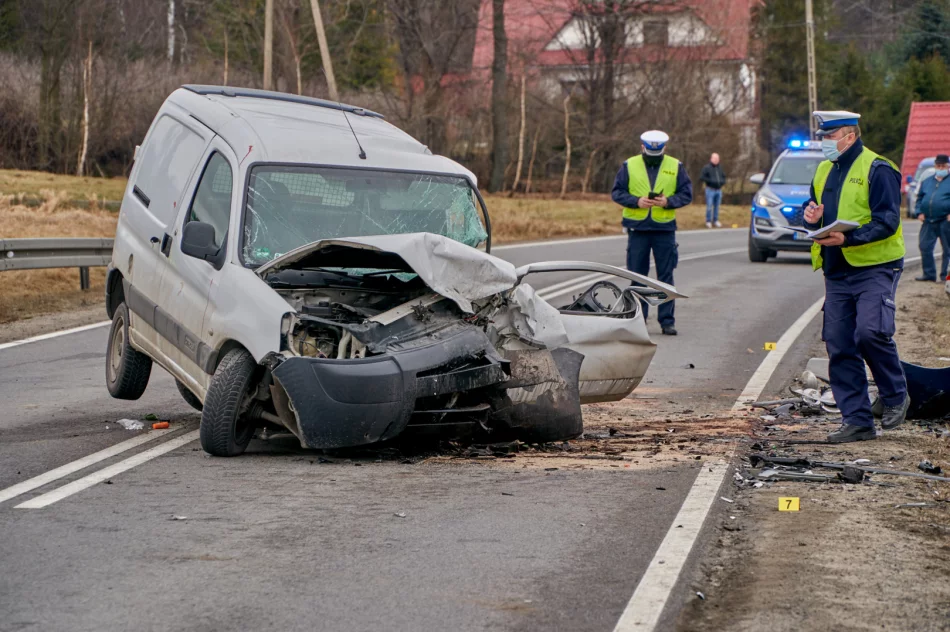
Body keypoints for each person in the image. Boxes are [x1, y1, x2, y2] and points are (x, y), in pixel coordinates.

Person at [802, 110, 909, 443]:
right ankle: (858, 421)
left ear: (849, 136)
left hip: (876, 266)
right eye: (823, 137)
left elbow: (887, 221)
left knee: (870, 332)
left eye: (829, 137)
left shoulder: (878, 168)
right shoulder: (824, 170)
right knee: (840, 344)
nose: (824, 143)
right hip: (836, 270)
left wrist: (849, 238)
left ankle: (895, 396)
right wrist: (810, 218)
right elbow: (814, 211)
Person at [611, 130, 693, 336]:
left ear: (664, 148)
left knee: (665, 277)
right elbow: (617, 192)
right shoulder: (629, 165)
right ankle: (638, 321)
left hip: (664, 229)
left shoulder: (676, 166)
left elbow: (687, 194)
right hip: (638, 229)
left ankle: (667, 322)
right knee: (637, 276)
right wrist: (636, 201)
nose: (653, 156)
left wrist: (668, 202)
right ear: (642, 147)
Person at [914, 153, 950, 282]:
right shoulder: (927, 181)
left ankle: (946, 276)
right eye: (938, 166)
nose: (940, 168)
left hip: (945, 220)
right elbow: (919, 198)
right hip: (928, 220)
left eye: (943, 166)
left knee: (948, 249)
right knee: (925, 246)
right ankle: (929, 274)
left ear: (948, 166)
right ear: (935, 166)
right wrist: (919, 212)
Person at [700, 153, 726, 228]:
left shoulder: (720, 168)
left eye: (717, 159)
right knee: (709, 206)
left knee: (717, 206)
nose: (716, 160)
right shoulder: (707, 168)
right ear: (711, 159)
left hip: (718, 190)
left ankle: (715, 220)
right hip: (710, 189)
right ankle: (708, 221)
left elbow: (723, 177)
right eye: (715, 158)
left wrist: (722, 182)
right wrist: (710, 181)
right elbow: (702, 177)